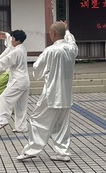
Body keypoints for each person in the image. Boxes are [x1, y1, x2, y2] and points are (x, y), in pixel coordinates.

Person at [16, 21, 78, 162]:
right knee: (62, 125)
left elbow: (37, 69)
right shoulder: (72, 49)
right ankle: (63, 152)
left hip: (52, 93)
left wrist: (40, 72)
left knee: (37, 120)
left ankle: (31, 150)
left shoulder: (50, 50)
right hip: (66, 95)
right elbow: (71, 40)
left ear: (52, 33)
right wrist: (66, 30)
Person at [0, 30, 30, 132]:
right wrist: (7, 35)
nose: (11, 40)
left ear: (17, 40)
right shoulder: (22, 49)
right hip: (25, 81)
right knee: (20, 106)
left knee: (4, 97)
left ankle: (3, 120)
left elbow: (5, 60)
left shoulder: (16, 52)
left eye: (12, 38)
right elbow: (9, 48)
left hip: (18, 81)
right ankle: (21, 127)